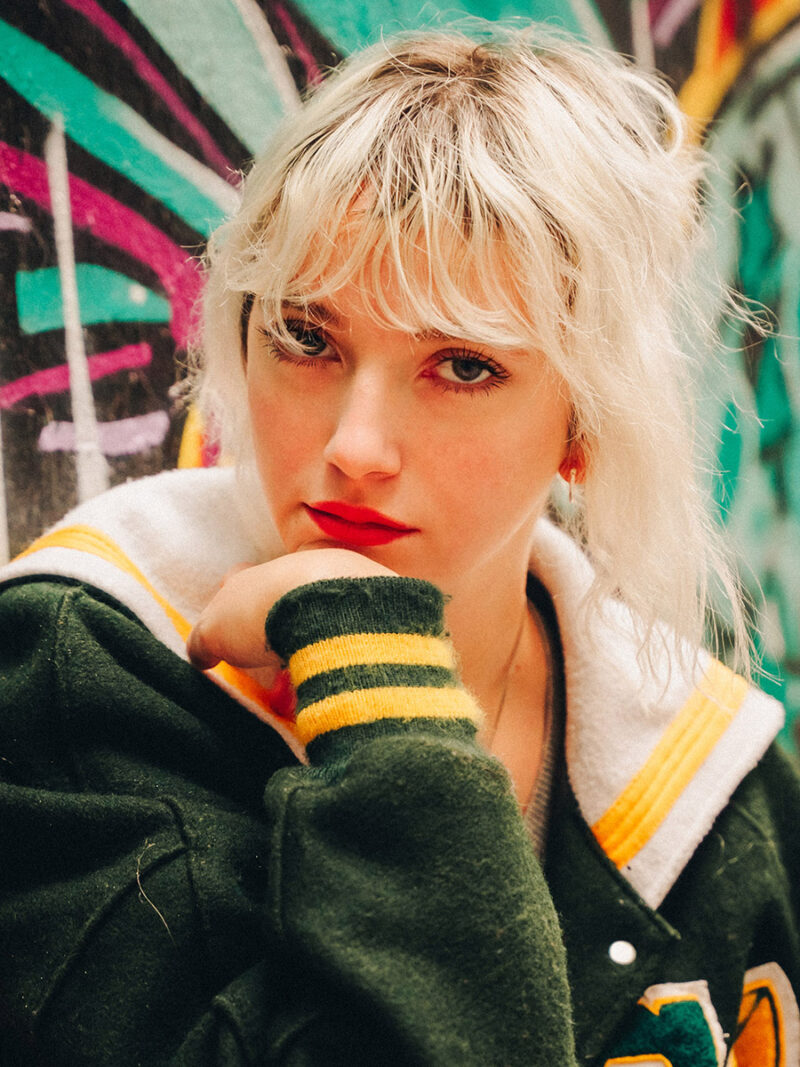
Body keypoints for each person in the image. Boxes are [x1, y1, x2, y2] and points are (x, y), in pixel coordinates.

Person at [1, 25, 798, 1066]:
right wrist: (379, 686)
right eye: (307, 338)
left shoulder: (715, 782)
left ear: (582, 425)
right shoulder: (82, 681)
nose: (355, 446)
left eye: (462, 366)